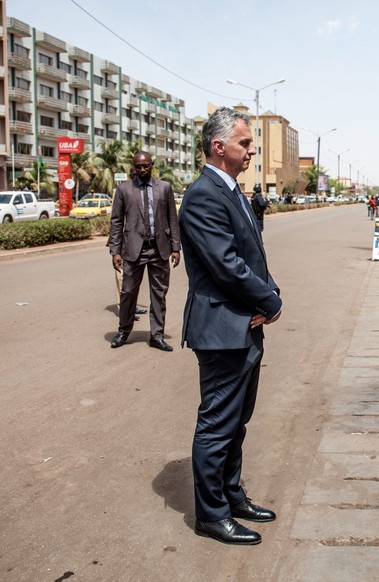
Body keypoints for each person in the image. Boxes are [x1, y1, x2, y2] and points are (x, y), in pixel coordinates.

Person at [178, 107, 283, 546]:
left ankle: (232, 494)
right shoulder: (203, 194)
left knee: (237, 422)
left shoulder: (232, 190)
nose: (251, 150)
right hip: (222, 326)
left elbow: (252, 252)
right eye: (245, 143)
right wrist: (270, 300)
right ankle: (212, 513)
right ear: (219, 147)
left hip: (244, 323)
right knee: (218, 424)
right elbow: (226, 266)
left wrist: (270, 295)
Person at [108, 152, 180, 351]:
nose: (142, 170)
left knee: (159, 294)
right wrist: (115, 251)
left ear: (152, 165)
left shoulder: (164, 188)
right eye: (138, 167)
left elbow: (172, 219)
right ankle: (124, 330)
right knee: (128, 292)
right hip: (133, 250)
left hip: (159, 249)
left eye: (145, 166)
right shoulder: (124, 189)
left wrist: (176, 247)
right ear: (133, 167)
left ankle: (156, 335)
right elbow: (116, 222)